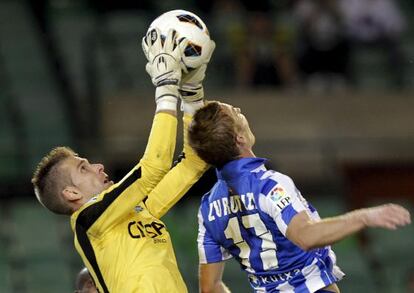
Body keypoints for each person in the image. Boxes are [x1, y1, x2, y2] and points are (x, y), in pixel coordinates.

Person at [31, 28, 214, 292]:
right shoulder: (88, 221)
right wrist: (165, 89)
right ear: (71, 193)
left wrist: (191, 94)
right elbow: (155, 165)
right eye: (84, 168)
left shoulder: (140, 210)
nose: (98, 167)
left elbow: (194, 163)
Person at [188, 101, 411, 293]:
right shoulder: (269, 185)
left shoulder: (207, 207)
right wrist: (364, 217)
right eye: (235, 113)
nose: (238, 109)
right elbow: (306, 236)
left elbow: (210, 287)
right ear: (239, 138)